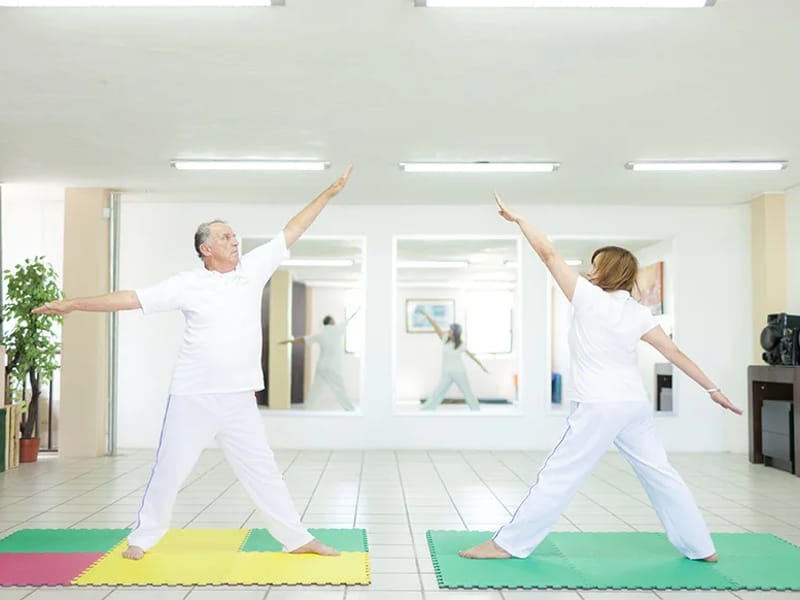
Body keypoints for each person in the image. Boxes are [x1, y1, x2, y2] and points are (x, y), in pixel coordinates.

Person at [33, 166, 354, 560]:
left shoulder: (253, 270)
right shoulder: (186, 284)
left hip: (239, 398)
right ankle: (143, 538)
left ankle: (297, 538)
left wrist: (329, 193)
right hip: (193, 396)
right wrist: (74, 304)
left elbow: (293, 228)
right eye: (225, 236)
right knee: (170, 469)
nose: (234, 241)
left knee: (263, 470)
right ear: (205, 249)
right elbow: (131, 298)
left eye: (234, 235)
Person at [459, 193, 742, 562]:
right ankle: (701, 548)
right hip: (633, 405)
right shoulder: (638, 313)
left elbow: (549, 255)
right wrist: (712, 389)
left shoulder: (588, 297)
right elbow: (674, 353)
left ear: (606, 271)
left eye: (595, 265)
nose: (590, 271)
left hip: (598, 405)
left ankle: (507, 544)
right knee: (662, 475)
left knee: (560, 475)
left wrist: (521, 221)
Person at [278, 309, 360, 411]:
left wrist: (287, 341)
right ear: (331, 322)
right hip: (332, 367)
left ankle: (308, 408)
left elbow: (303, 339)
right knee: (339, 388)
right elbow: (349, 320)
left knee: (316, 389)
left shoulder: (321, 334)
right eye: (333, 320)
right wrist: (358, 310)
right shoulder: (337, 329)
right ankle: (350, 408)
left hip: (321, 366)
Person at [419, 311, 488, 411]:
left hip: (459, 372)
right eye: (449, 329)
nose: (449, 331)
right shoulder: (445, 338)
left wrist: (482, 366)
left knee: (467, 392)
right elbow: (435, 326)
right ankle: (427, 408)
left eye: (451, 330)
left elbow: (471, 356)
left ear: (456, 333)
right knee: (438, 391)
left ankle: (476, 410)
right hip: (447, 372)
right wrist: (427, 316)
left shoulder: (461, 344)